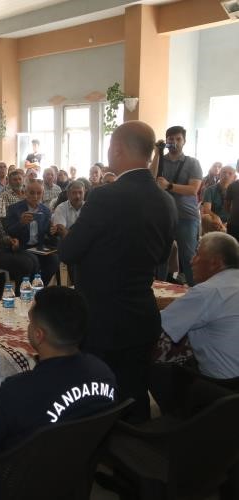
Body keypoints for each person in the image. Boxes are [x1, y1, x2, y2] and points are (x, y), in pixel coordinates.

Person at [0, 287, 117, 499]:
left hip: (12, 482)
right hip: (69, 468)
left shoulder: (16, 390)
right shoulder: (104, 374)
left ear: (38, 334)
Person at [59, 121, 177, 422]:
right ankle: (137, 457)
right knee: (134, 393)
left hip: (103, 318)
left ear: (116, 150)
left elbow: (69, 252)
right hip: (142, 315)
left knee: (97, 400)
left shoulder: (104, 196)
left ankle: (103, 461)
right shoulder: (166, 201)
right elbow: (163, 256)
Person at [160, 232, 239, 379]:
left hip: (226, 388)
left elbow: (158, 326)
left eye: (197, 254)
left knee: (149, 353)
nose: (191, 261)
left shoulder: (207, 291)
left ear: (215, 262)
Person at [156, 125, 203, 286]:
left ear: (184, 141)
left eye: (178, 139)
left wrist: (169, 186)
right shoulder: (161, 160)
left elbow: (193, 189)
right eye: (171, 139)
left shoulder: (192, 163)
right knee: (161, 255)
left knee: (189, 257)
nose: (174, 142)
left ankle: (194, 291)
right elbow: (150, 176)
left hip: (186, 217)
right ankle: (159, 290)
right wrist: (158, 152)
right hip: (163, 217)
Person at [6, 180, 59, 286]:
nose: (35, 196)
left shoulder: (46, 210)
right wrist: (21, 223)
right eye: (32, 192)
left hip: (38, 247)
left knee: (54, 260)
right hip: (21, 246)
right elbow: (8, 231)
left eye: (39, 193)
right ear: (25, 193)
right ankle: (24, 291)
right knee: (31, 261)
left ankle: (38, 288)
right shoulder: (14, 209)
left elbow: (48, 232)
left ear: (43, 194)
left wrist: (53, 230)